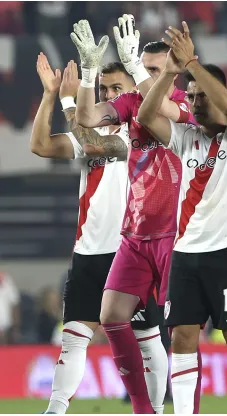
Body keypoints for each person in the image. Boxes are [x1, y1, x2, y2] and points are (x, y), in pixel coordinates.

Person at [135, 21, 227, 414]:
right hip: (185, 253)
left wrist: (193, 63)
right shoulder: (187, 136)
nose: (195, 103)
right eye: (193, 96)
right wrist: (171, 71)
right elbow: (147, 116)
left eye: (202, 96)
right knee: (181, 337)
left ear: (219, 96)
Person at [71, 16, 195, 414]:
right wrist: (89, 72)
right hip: (136, 233)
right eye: (146, 68)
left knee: (181, 332)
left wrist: (139, 72)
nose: (152, 76)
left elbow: (154, 119)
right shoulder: (129, 102)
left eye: (159, 70)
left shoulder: (185, 106)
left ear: (174, 75)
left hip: (177, 234)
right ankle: (144, 409)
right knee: (111, 316)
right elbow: (87, 120)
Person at [30, 54, 166, 414]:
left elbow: (90, 143)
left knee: (149, 342)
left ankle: (152, 409)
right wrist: (49, 95)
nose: (107, 94)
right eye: (103, 89)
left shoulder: (143, 130)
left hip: (132, 250)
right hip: (88, 252)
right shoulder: (94, 131)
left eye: (115, 89)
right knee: (73, 339)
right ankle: (54, 410)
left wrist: (69, 101)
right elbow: (42, 146)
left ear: (133, 91)